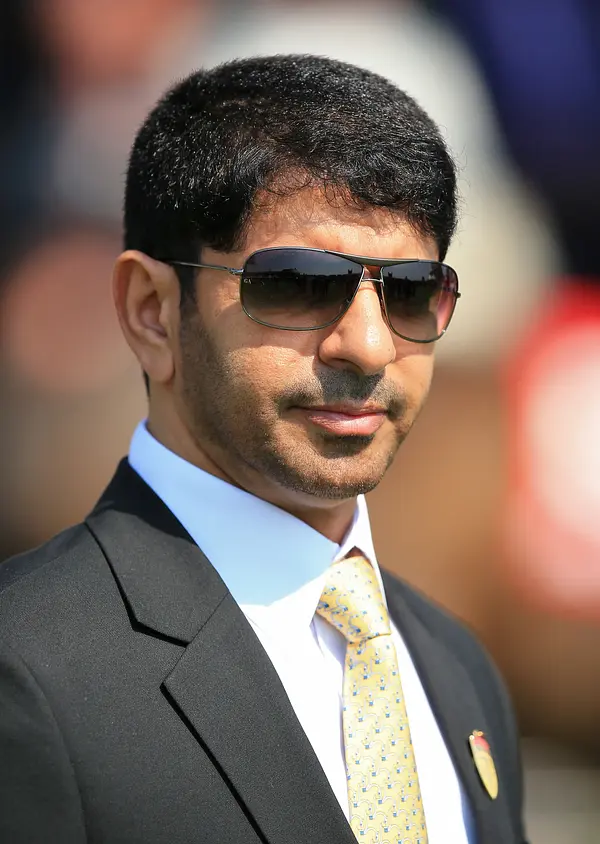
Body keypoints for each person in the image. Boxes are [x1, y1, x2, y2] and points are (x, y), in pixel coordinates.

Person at [0, 56, 528, 844]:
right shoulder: (27, 665)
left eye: (414, 290)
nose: (369, 345)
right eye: (299, 284)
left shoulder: (457, 669)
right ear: (151, 310)